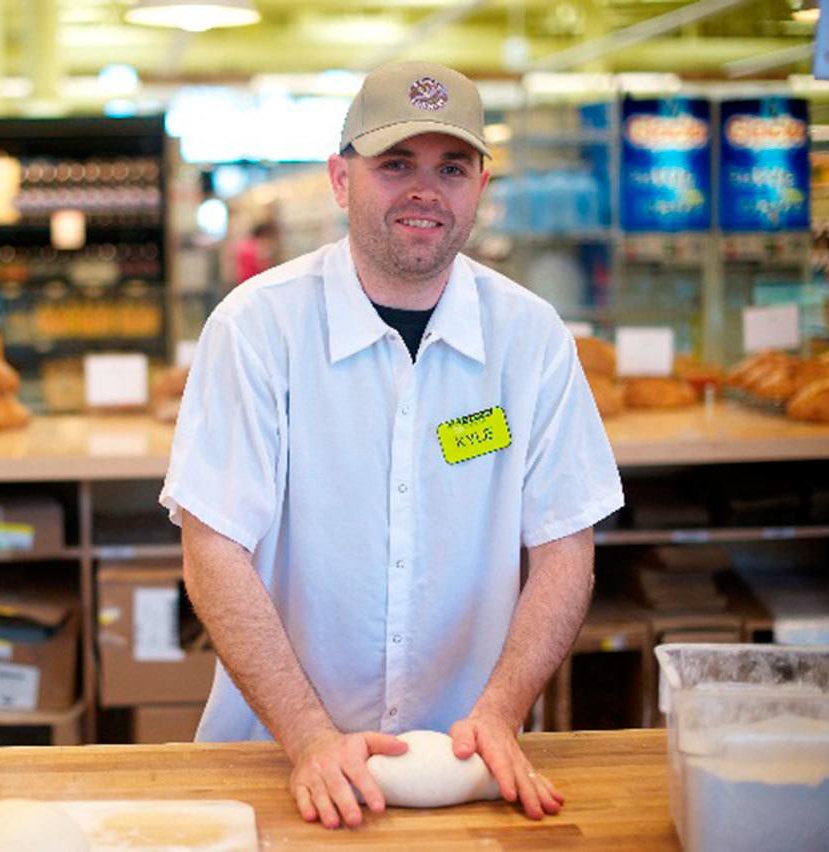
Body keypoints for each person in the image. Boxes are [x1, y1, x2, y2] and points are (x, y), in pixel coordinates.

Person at [159, 61, 623, 830]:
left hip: (468, 764)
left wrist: (501, 713)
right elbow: (213, 552)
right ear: (341, 180)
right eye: (395, 164)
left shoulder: (530, 338)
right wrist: (309, 736)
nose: (424, 189)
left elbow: (566, 546)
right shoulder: (258, 329)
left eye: (452, 167)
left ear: (481, 186)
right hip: (279, 766)